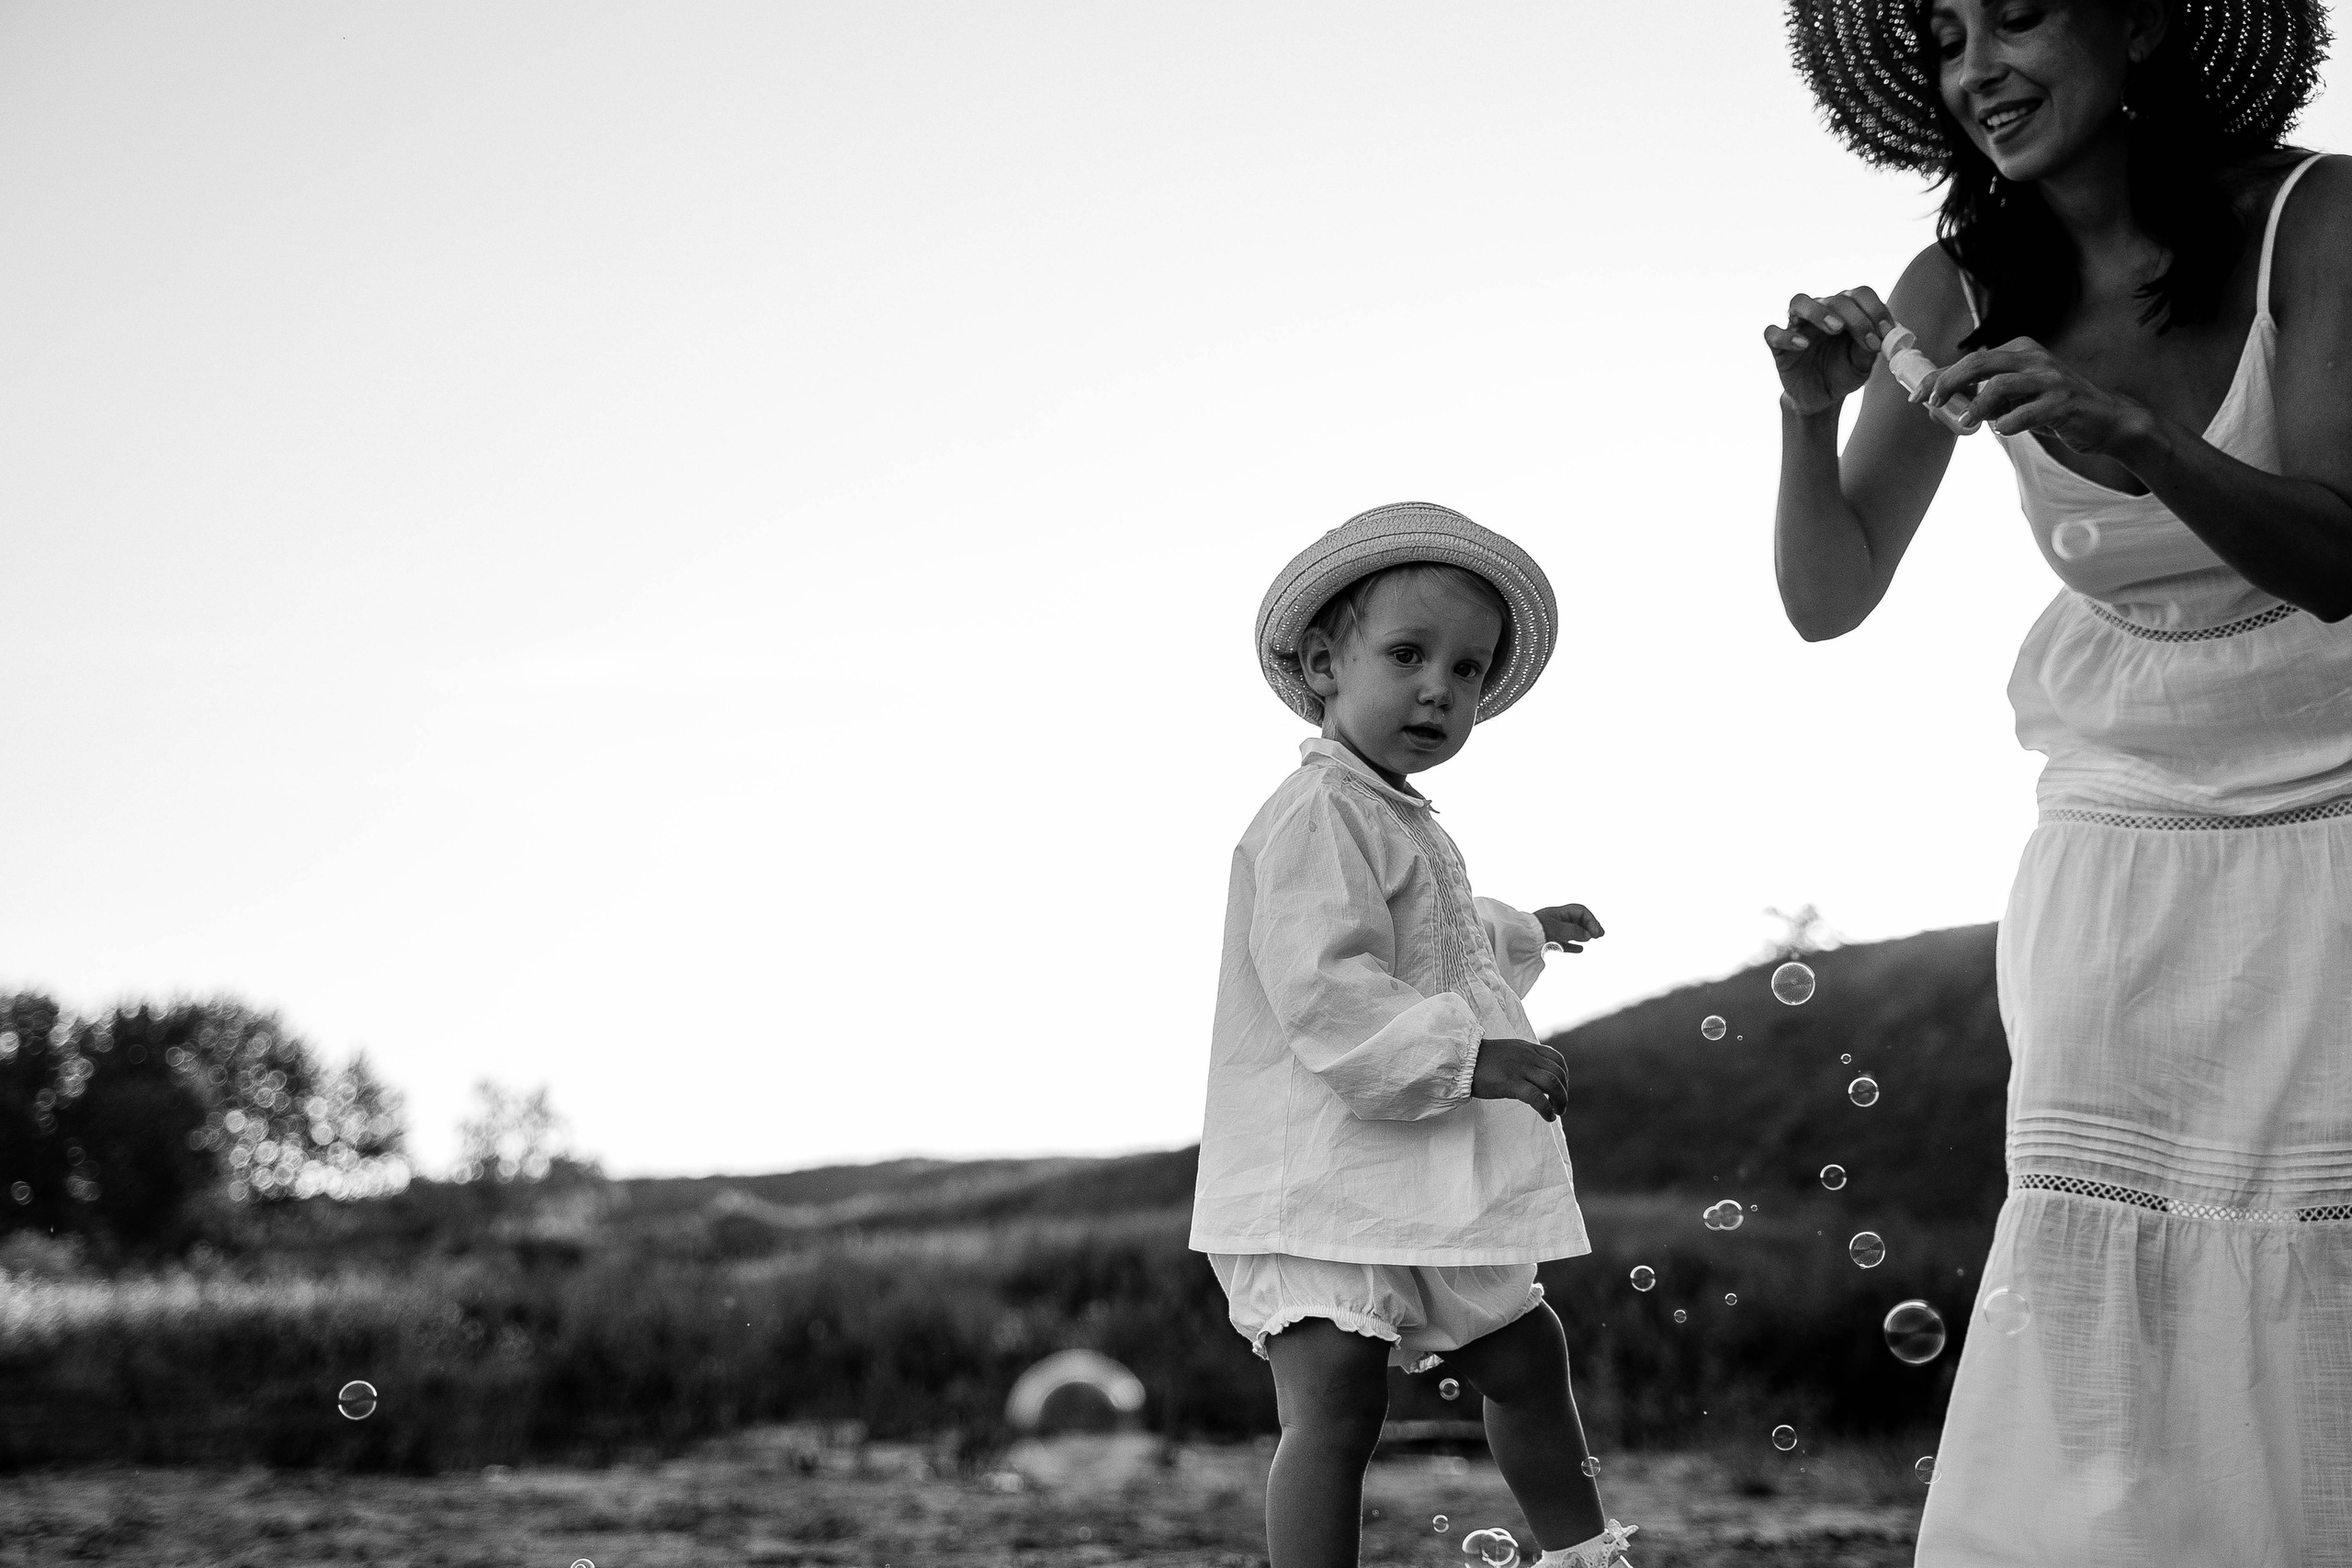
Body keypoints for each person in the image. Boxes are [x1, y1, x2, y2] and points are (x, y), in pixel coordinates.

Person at [1772, 0, 2352, 1558]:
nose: (1978, 69)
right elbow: (1829, 594)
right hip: (2116, 830)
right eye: (1947, 36)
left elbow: (2340, 554)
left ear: (2144, 23)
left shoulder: (2318, 217)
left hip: (2339, 816)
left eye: (2019, 14)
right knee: (2106, 1264)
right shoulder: (1951, 287)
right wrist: (1808, 413)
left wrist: (2147, 442)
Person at [1189, 502, 1637, 1568]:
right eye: (1406, 653)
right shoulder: (1316, 812)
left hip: (1422, 1169)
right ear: (1323, 663)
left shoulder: (1395, 816)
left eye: (1469, 669)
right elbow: (1323, 979)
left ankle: (1588, 1558)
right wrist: (1471, 1058)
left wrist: (1527, 927)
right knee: (1335, 1402)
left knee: (1527, 1353)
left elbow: (1431, 945)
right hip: (1322, 1179)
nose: (1439, 686)